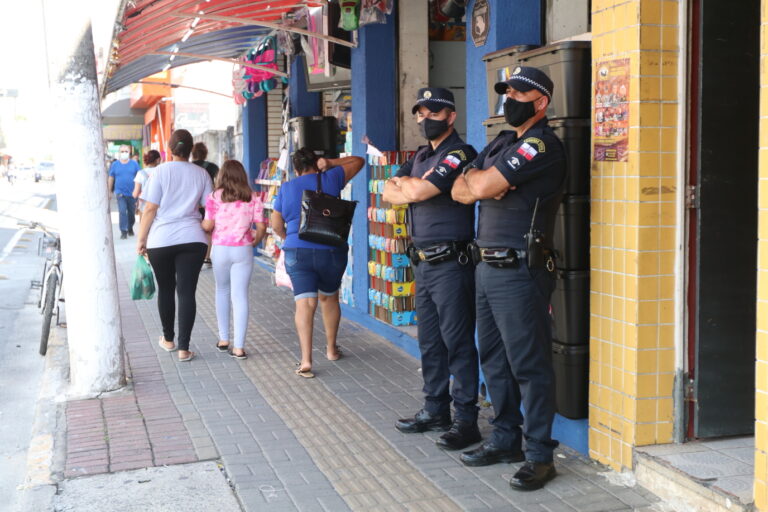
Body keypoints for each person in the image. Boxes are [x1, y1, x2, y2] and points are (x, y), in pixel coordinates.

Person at [451, 66, 566, 491]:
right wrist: (483, 183)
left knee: (529, 365)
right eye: (507, 91)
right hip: (486, 267)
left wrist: (485, 184)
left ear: (541, 102)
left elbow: (478, 187)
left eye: (519, 93)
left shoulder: (541, 144)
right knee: (494, 360)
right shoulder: (503, 142)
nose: (509, 99)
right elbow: (462, 190)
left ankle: (539, 455)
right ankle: (504, 439)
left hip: (521, 268)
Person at [382, 88, 481, 451]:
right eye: (421, 114)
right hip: (422, 263)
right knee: (430, 343)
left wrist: (413, 187)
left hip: (452, 264)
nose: (426, 120)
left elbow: (420, 193)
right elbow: (388, 191)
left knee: (458, 344)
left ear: (450, 116)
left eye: (434, 113)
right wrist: (412, 186)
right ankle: (435, 409)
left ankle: (466, 420)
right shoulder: (422, 155)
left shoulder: (459, 153)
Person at [270, 148, 364, 378]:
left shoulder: (287, 187)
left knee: (305, 304)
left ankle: (306, 360)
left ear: (295, 168)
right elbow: (358, 161)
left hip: (297, 252)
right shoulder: (330, 178)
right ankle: (331, 350)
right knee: (329, 298)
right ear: (316, 162)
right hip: (330, 249)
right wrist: (330, 162)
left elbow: (276, 225)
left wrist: (289, 239)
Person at [136, 129, 213, 363]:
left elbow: (149, 208)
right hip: (193, 238)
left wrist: (141, 239)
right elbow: (209, 209)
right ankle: (184, 348)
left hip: (161, 240)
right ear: (191, 149)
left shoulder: (159, 172)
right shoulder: (202, 174)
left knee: (166, 290)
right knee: (187, 292)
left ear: (169, 149)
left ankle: (168, 340)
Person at [202, 160, 267, 360]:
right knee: (240, 296)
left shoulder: (213, 197)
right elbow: (262, 227)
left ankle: (223, 339)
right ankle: (239, 347)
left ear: (222, 176)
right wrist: (254, 241)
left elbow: (207, 225)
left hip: (220, 249)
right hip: (243, 250)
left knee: (222, 290)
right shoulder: (254, 197)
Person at [192, 142, 220, 267]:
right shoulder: (213, 167)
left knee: (193, 228)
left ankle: (193, 256)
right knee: (208, 230)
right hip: (209, 202)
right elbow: (218, 185)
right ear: (205, 153)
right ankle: (207, 258)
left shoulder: (189, 166)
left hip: (192, 202)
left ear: (192, 154)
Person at [109, 145, 140, 239]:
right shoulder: (115, 165)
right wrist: (109, 191)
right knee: (122, 211)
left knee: (131, 213)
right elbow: (111, 177)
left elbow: (139, 177)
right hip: (120, 193)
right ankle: (123, 231)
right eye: (122, 151)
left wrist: (139, 191)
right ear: (119, 153)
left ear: (129, 152)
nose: (124, 153)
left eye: (126, 151)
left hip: (132, 193)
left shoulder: (134, 164)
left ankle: (130, 227)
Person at [133, 150, 162, 222]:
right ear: (158, 160)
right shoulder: (162, 172)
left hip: (144, 207)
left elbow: (135, 194)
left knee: (144, 230)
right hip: (159, 207)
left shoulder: (141, 173)